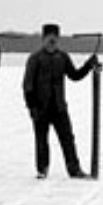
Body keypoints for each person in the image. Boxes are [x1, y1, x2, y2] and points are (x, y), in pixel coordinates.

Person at [22, 23, 98, 179]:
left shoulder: (62, 57)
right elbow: (27, 85)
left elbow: (74, 76)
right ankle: (42, 169)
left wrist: (88, 65)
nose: (52, 41)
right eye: (49, 38)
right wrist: (32, 106)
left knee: (67, 139)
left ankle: (74, 170)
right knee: (41, 140)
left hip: (59, 107)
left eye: (55, 38)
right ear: (43, 39)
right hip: (40, 107)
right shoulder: (35, 58)